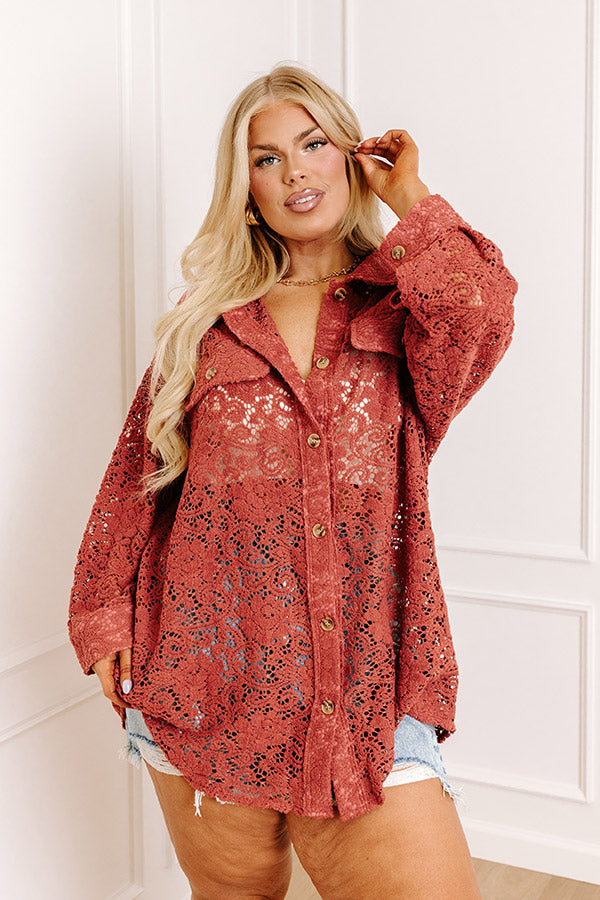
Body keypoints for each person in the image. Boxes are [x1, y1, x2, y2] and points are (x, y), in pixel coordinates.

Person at [68, 64, 518, 899]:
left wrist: (407, 195)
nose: (295, 172)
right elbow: (137, 476)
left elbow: (484, 306)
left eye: (313, 144)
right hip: (205, 676)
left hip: (370, 690)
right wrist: (103, 616)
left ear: (349, 155)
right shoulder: (206, 327)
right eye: (266, 159)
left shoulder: (408, 314)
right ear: (246, 190)